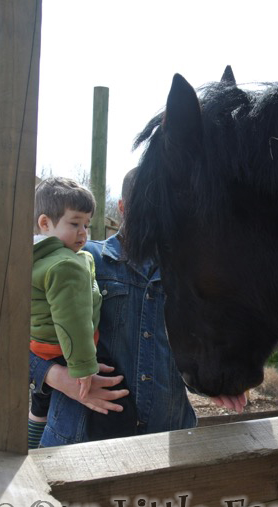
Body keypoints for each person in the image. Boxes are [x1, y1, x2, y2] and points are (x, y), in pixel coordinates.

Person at [28, 170, 197, 447]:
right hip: (79, 442)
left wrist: (219, 383)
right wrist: (58, 377)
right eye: (145, 207)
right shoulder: (80, 261)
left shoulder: (190, 276)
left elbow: (196, 357)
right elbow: (19, 339)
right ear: (122, 207)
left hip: (169, 439)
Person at [28, 177, 137, 448]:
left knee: (40, 405)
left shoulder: (33, 258)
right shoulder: (66, 265)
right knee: (116, 406)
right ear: (45, 223)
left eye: (86, 225)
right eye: (75, 224)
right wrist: (83, 368)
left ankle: (30, 446)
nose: (83, 233)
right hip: (68, 353)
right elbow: (73, 323)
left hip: (43, 347)